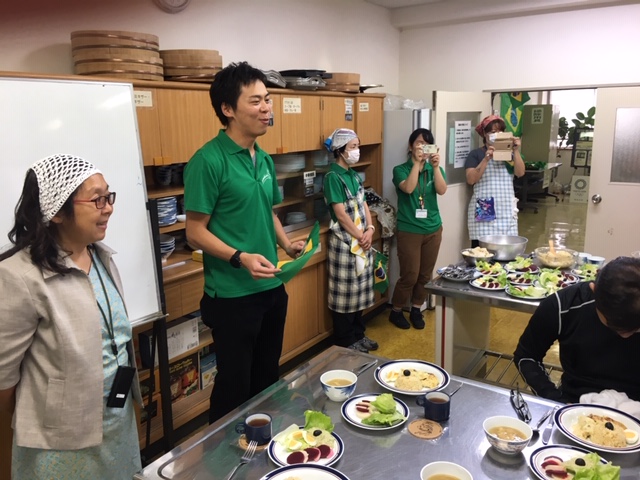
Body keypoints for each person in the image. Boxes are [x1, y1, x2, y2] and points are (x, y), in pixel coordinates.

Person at [0, 154, 142, 479]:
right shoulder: (19, 276)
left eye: (109, 196)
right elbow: (3, 380)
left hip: (118, 423)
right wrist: (48, 415)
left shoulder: (100, 256)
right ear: (58, 212)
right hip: (61, 442)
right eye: (97, 199)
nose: (108, 207)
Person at [184, 61, 305, 424]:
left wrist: (285, 245)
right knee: (234, 387)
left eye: (267, 100)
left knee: (267, 380)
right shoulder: (208, 160)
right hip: (232, 297)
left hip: (271, 286)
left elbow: (266, 209)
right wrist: (240, 257)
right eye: (255, 102)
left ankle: (260, 457)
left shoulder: (263, 157)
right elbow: (195, 231)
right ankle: (221, 465)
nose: (267, 109)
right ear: (228, 109)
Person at [514, 256, 640, 404]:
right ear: (594, 290)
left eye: (635, 328)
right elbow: (527, 356)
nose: (625, 335)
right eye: (614, 325)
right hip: (575, 400)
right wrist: (556, 400)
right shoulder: (564, 305)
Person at [323, 128, 377, 353]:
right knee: (345, 294)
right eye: (353, 147)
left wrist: (370, 228)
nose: (357, 151)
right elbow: (341, 214)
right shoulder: (332, 177)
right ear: (340, 151)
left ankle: (359, 333)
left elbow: (364, 203)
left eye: (358, 146)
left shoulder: (354, 175)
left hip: (362, 240)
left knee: (360, 291)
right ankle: (345, 340)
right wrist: (359, 235)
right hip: (345, 244)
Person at [388, 128, 447, 329]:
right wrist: (417, 163)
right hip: (409, 230)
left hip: (433, 229)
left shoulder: (434, 169)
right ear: (410, 146)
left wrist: (436, 167)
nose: (421, 147)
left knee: (425, 275)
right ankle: (396, 311)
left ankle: (416, 308)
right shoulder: (400, 169)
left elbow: (442, 190)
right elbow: (409, 188)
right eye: (418, 143)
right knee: (410, 275)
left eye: (426, 144)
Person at [465, 115, 525, 248]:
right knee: (482, 252)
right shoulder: (476, 154)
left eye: (500, 132)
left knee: (507, 250)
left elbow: (520, 173)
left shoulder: (509, 154)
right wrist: (486, 159)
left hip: (506, 210)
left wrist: (515, 150)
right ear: (485, 135)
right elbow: (470, 179)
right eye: (492, 132)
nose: (497, 135)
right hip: (485, 208)